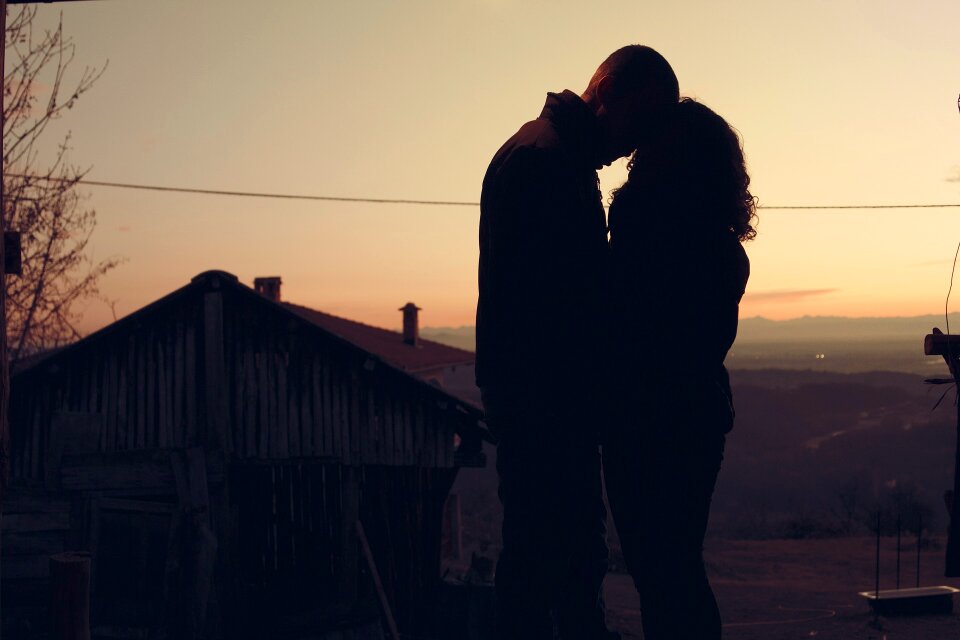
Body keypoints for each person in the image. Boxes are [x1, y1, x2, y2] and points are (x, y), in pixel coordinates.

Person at [475, 45, 679, 640]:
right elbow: (569, 306)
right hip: (547, 408)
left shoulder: (541, 151)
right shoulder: (549, 166)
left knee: (541, 558)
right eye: (637, 124)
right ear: (607, 92)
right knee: (552, 562)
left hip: (536, 404)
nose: (632, 146)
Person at [603, 98, 756, 640]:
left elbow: (636, 330)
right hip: (693, 421)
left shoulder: (654, 238)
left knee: (664, 573)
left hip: (651, 424)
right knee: (672, 570)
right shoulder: (717, 246)